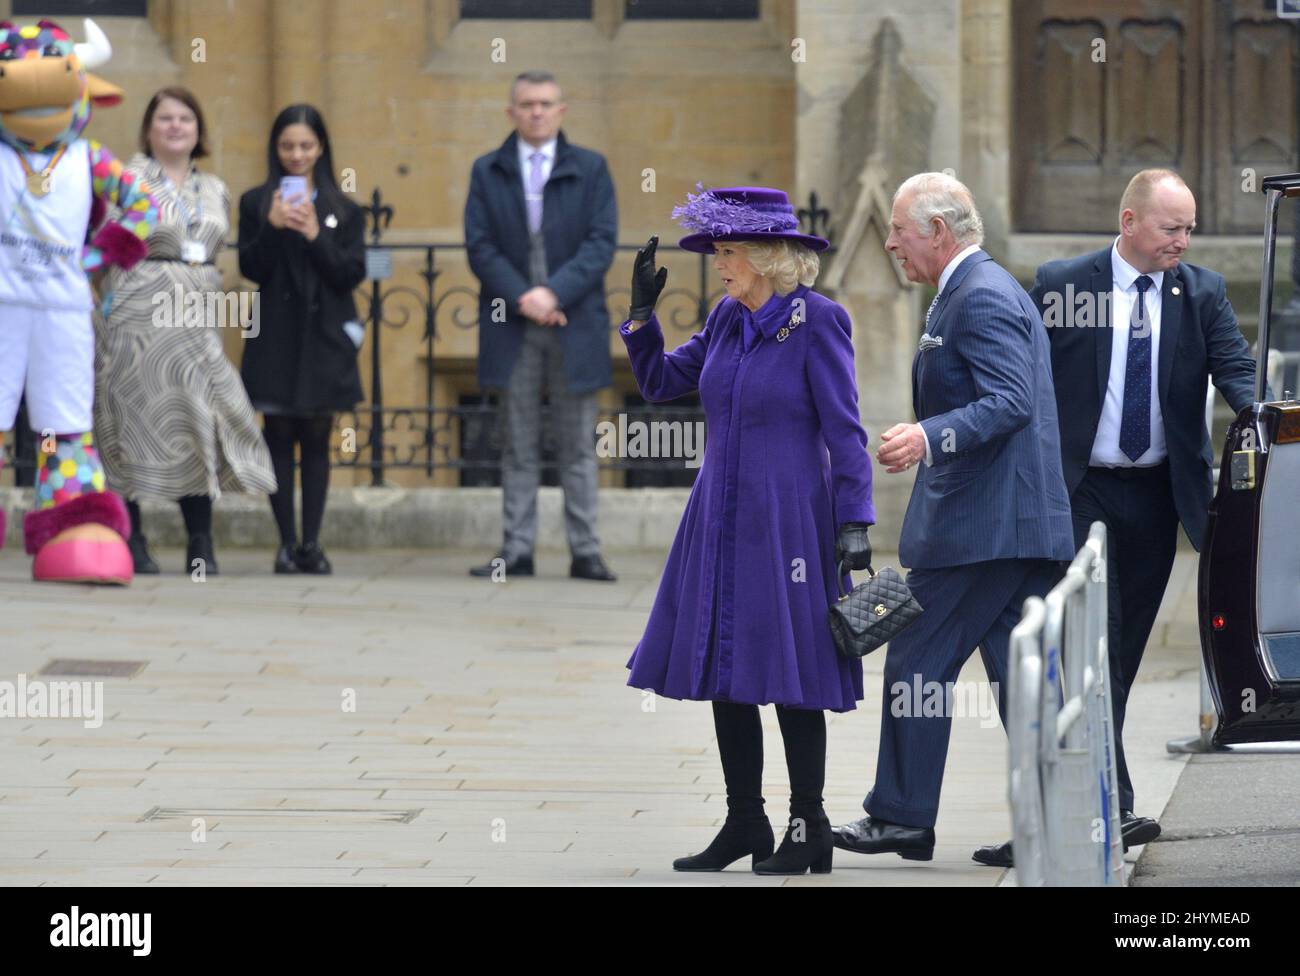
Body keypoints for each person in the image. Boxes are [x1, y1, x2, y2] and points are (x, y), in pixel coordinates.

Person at [971, 169, 1261, 868]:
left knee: (1120, 658)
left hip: (1157, 500)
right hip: (1076, 492)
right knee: (1090, 641)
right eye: (1171, 228)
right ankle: (1110, 805)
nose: (1183, 241)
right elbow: (1016, 376)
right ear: (1129, 221)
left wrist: (1270, 424)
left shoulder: (1202, 293)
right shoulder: (1064, 282)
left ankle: (1080, 808)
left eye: (1189, 228)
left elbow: (1239, 374)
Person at [622, 186, 875, 876]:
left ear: (768, 257)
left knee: (791, 671)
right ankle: (744, 822)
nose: (720, 264)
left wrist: (855, 520)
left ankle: (809, 825)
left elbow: (845, 429)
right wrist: (642, 316)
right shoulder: (727, 319)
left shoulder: (818, 321)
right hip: (721, 513)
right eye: (718, 252)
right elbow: (660, 382)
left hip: (789, 516)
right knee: (724, 665)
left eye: (728, 251)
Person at [832, 173, 1074, 864]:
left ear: (938, 232)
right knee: (1021, 676)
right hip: (1004, 523)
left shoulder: (982, 296)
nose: (889, 242)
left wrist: (928, 436)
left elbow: (1011, 400)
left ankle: (902, 816)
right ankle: (1068, 819)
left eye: (900, 230)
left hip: (985, 526)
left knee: (915, 653)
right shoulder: (967, 291)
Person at [94, 86, 277, 576]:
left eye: (185, 119)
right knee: (128, 417)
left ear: (198, 131)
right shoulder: (125, 178)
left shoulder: (213, 187)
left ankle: (201, 541)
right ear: (149, 128)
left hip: (195, 315)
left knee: (198, 419)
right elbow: (103, 243)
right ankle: (131, 538)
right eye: (165, 118)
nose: (176, 126)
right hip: (138, 305)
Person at [464, 70, 618, 582]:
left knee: (577, 445)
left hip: (575, 324)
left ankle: (586, 551)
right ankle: (517, 549)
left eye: (546, 103)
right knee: (518, 442)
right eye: (527, 104)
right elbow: (480, 245)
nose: (536, 112)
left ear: (561, 110)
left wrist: (554, 292)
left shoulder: (590, 169)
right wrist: (524, 297)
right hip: (512, 326)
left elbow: (601, 242)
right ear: (511, 112)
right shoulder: (488, 171)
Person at [238, 104, 365, 575]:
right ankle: (286, 544)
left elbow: (349, 274)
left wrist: (315, 234)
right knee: (277, 435)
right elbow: (252, 269)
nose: (296, 155)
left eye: (306, 146)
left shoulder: (344, 209)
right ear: (276, 148)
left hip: (324, 337)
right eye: (288, 146)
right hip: (276, 336)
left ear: (321, 148)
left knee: (316, 437)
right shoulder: (256, 203)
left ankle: (312, 543)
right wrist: (272, 228)